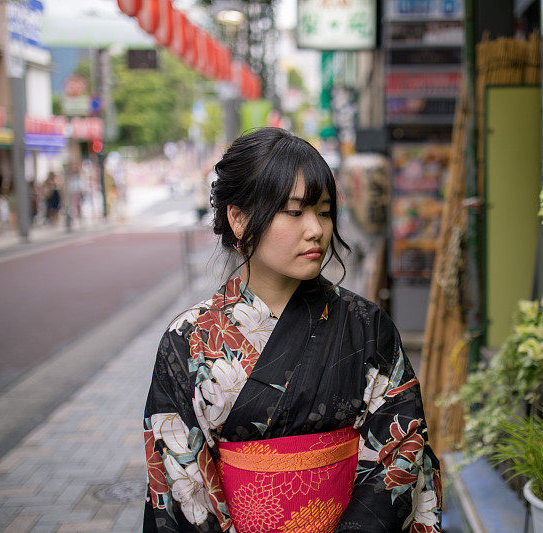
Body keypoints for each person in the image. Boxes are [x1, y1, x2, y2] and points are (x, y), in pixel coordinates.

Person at [142, 128, 442, 533]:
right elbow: (182, 485)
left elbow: (401, 453)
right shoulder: (188, 341)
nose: (316, 229)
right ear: (239, 218)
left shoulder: (366, 326)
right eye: (295, 212)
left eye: (323, 210)